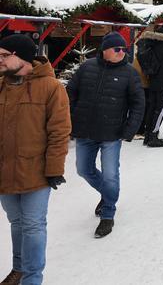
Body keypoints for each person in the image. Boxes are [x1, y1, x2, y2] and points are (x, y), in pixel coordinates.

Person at [0, 34, 71, 284]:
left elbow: (59, 131)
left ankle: (32, 278)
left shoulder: (51, 88)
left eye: (4, 55)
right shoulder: (1, 85)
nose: (0, 60)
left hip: (36, 172)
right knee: (16, 222)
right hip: (5, 172)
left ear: (21, 57)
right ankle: (19, 268)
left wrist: (54, 169)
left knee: (32, 226)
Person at [67, 32, 144, 238]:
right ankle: (108, 195)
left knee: (110, 175)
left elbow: (138, 103)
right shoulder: (87, 67)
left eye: (124, 49)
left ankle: (108, 213)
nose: (122, 52)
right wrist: (73, 117)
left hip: (111, 133)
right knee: (83, 169)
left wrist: (129, 130)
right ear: (105, 50)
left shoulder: (129, 72)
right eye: (117, 49)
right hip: (85, 131)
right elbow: (70, 93)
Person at [136, 23, 163, 147]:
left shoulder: (152, 43)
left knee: (152, 108)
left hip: (153, 81)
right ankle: (153, 136)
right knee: (160, 109)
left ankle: (148, 135)